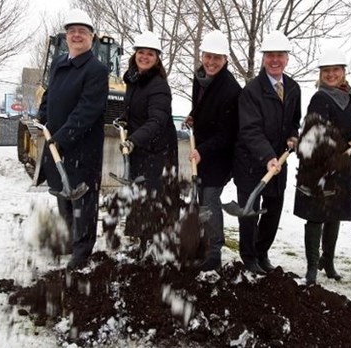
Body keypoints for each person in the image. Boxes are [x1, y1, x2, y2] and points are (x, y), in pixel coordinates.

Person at [36, 9, 109, 269]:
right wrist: (42, 117)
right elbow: (49, 95)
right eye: (72, 31)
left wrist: (61, 137)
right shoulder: (59, 63)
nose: (76, 35)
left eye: (82, 32)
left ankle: (82, 251)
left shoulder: (97, 69)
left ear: (91, 38)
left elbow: (88, 109)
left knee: (83, 200)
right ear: (66, 36)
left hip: (82, 148)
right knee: (63, 195)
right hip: (57, 144)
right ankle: (67, 240)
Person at [232, 31, 301, 274]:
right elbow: (249, 130)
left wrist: (293, 136)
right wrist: (268, 156)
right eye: (270, 55)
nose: (275, 60)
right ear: (263, 58)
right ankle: (248, 257)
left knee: (273, 211)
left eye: (280, 55)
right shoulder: (251, 90)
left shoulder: (293, 88)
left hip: (278, 163)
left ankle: (262, 253)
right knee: (249, 212)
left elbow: (294, 121)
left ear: (287, 58)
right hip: (251, 163)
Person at [293, 47, 351, 285]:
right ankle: (312, 268)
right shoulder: (320, 98)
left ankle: (327, 262)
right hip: (319, 166)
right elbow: (315, 133)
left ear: (343, 72)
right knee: (316, 215)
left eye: (336, 70)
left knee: (335, 215)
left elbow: (347, 127)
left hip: (341, 165)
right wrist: (341, 145)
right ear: (321, 74)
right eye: (326, 71)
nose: (331, 74)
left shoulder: (347, 96)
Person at [186, 30, 242, 271]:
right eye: (208, 56)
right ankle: (203, 243)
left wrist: (202, 151)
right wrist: (193, 116)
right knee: (201, 199)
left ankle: (214, 253)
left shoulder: (231, 90)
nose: (211, 62)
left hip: (220, 156)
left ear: (225, 60)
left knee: (209, 199)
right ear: (202, 56)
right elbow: (200, 108)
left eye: (217, 58)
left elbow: (227, 134)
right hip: (201, 151)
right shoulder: (199, 78)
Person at [120, 31, 178, 246]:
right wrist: (124, 119)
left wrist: (134, 139)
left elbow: (157, 120)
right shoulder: (134, 81)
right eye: (141, 52)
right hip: (141, 148)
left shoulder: (158, 85)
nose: (144, 57)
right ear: (135, 54)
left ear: (157, 59)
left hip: (157, 152)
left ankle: (154, 248)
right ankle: (140, 245)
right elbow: (136, 111)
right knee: (139, 198)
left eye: (150, 54)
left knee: (153, 200)